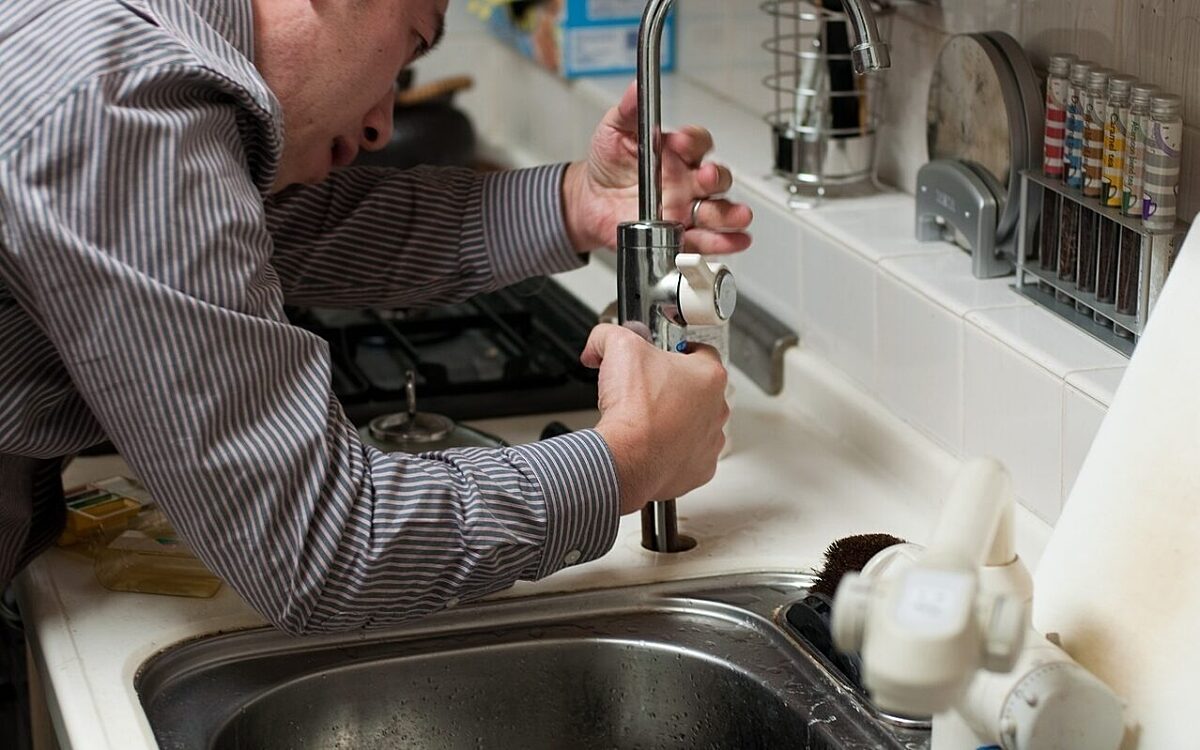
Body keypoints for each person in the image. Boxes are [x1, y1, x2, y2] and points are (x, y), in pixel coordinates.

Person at [0, 0, 753, 634]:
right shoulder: (121, 103)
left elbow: (290, 232)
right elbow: (323, 547)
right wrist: (627, 460)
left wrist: (575, 205)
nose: (382, 127)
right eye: (409, 50)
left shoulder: (123, 46)